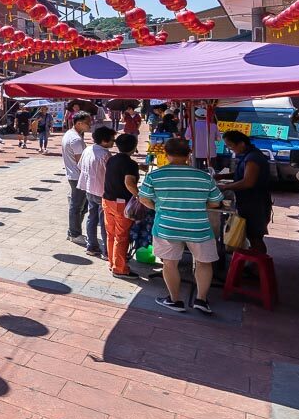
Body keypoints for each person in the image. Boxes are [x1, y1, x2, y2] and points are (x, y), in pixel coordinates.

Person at [138, 137, 224, 314]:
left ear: (166, 154)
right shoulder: (204, 177)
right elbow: (216, 203)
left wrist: (159, 207)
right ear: (189, 154)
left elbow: (144, 198)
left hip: (166, 226)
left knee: (170, 264)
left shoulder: (154, 176)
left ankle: (175, 300)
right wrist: (199, 205)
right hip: (198, 228)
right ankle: (201, 299)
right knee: (204, 263)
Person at [220, 131, 273, 255]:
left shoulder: (253, 158)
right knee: (251, 236)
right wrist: (220, 176)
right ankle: (255, 264)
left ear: (241, 143)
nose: (229, 149)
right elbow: (242, 174)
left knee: (255, 237)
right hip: (249, 202)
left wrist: (225, 187)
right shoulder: (248, 155)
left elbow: (248, 182)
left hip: (255, 203)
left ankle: (259, 268)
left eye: (230, 145)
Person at [103, 132, 141, 278]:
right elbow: (129, 183)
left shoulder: (112, 159)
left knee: (111, 234)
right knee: (121, 236)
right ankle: (119, 268)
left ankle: (112, 262)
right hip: (121, 203)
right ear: (133, 147)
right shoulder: (130, 164)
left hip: (107, 200)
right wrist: (139, 195)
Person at [77, 126, 116, 258]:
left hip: (89, 188)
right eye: (112, 140)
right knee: (104, 222)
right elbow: (112, 175)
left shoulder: (88, 149)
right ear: (104, 141)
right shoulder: (105, 154)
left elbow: (80, 166)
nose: (113, 142)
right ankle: (106, 251)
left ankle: (92, 246)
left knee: (92, 218)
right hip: (102, 191)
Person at [62, 111, 93, 243]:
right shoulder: (75, 139)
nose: (90, 125)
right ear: (79, 123)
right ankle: (74, 233)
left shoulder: (70, 134)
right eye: (88, 123)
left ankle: (73, 230)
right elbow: (81, 162)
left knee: (81, 205)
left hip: (73, 174)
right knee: (77, 206)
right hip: (78, 176)